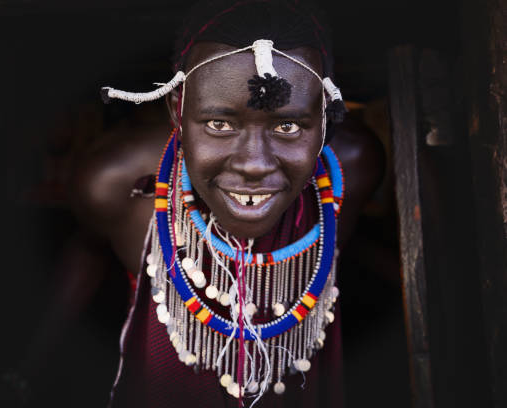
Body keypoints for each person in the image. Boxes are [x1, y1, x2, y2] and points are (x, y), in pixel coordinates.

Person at [72, 1, 384, 407]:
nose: (254, 164)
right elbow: (85, 254)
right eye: (220, 124)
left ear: (325, 119)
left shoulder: (353, 170)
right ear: (177, 109)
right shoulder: (113, 184)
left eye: (287, 125)